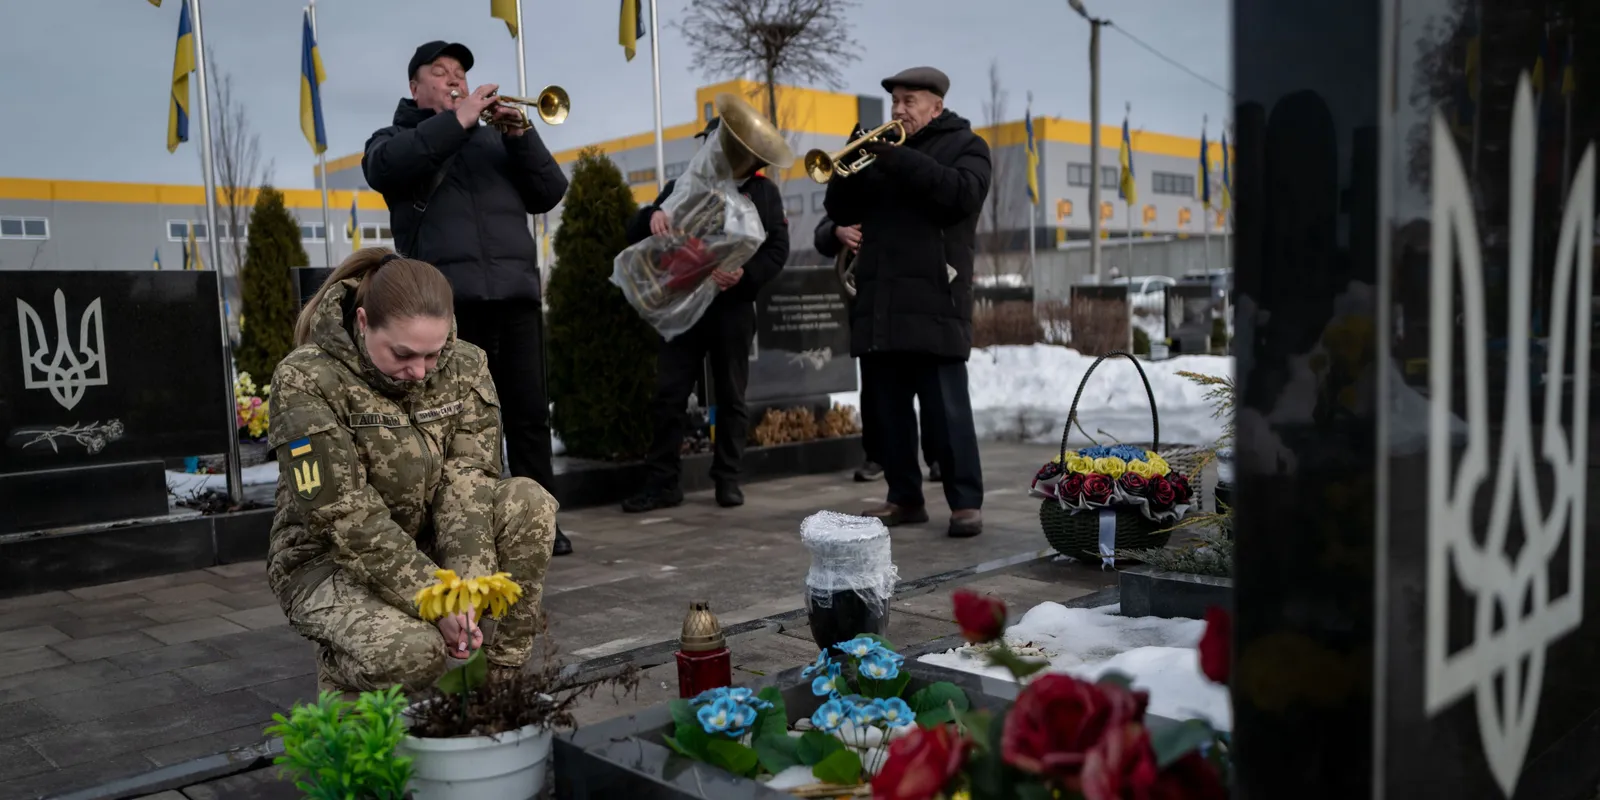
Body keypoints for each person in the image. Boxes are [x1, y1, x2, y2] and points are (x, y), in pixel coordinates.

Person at [267, 248, 558, 694]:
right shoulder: (306, 378)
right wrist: (435, 597)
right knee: (413, 654)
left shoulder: (465, 365)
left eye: (432, 354)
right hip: (328, 559)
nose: (420, 371)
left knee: (529, 503)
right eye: (402, 354)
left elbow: (468, 479)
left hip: (426, 542)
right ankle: (340, 669)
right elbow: (342, 515)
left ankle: (499, 682)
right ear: (363, 322)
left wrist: (466, 592)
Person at [361, 41, 573, 556]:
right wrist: (457, 121)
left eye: (460, 71)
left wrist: (522, 136)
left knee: (528, 416)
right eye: (441, 71)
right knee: (459, 421)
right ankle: (466, 526)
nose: (455, 78)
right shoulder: (396, 138)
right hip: (446, 309)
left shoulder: (496, 139)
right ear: (415, 86)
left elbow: (549, 191)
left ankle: (540, 523)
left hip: (515, 295)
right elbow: (383, 169)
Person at [823, 66, 991, 538]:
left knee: (947, 411)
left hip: (935, 298)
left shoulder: (967, 146)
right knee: (889, 411)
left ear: (936, 106)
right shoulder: (879, 153)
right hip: (881, 300)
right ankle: (904, 498)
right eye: (895, 100)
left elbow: (962, 195)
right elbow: (840, 210)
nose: (898, 109)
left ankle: (965, 503)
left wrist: (899, 160)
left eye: (908, 101)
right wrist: (848, 166)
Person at [619, 117, 791, 513]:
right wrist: (652, 215)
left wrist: (746, 275)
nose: (712, 149)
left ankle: (728, 479)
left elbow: (777, 250)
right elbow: (635, 231)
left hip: (732, 308)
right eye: (710, 142)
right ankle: (663, 483)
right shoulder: (685, 185)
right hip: (684, 308)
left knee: (731, 395)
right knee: (669, 395)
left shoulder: (764, 193)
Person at [813, 212, 943, 485]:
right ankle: (877, 457)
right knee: (874, 386)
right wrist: (837, 230)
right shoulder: (858, 195)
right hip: (870, 306)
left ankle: (938, 456)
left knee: (925, 382)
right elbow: (822, 234)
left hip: (913, 298)